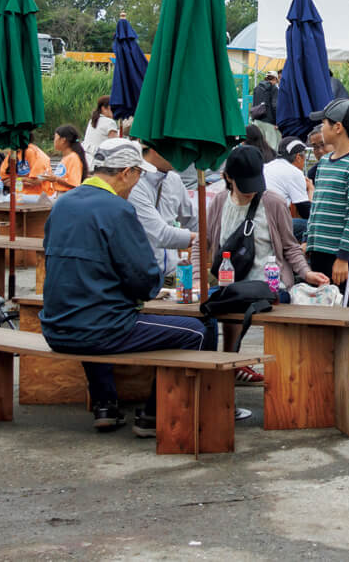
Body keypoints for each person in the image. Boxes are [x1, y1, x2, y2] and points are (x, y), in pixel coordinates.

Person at [40, 139, 202, 436]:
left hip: (54, 327)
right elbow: (144, 280)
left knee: (91, 309)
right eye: (138, 175)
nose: (137, 184)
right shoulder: (117, 209)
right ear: (127, 172)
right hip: (99, 329)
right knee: (197, 332)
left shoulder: (62, 203)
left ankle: (105, 404)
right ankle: (154, 417)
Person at [206, 145, 328, 387]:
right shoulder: (219, 201)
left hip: (269, 287)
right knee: (206, 313)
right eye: (245, 184)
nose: (252, 191)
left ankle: (247, 368)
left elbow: (290, 246)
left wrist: (306, 272)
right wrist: (199, 277)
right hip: (230, 285)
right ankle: (221, 368)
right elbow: (205, 241)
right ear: (227, 178)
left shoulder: (272, 202)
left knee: (236, 303)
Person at [304, 98, 349, 303]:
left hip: (339, 255)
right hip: (317, 249)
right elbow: (316, 207)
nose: (321, 127)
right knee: (317, 307)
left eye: (324, 123)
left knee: (337, 306)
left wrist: (343, 257)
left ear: (338, 127)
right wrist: (308, 239)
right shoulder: (323, 162)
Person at [125, 143, 195, 275]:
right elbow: (160, 235)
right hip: (143, 276)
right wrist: (200, 238)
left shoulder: (174, 180)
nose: (181, 155)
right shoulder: (134, 184)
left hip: (173, 274)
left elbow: (192, 220)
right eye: (177, 148)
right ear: (155, 149)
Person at [46, 125, 89, 192]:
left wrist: (55, 178)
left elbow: (74, 183)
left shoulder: (73, 158)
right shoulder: (66, 157)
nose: (54, 141)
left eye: (55, 138)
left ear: (63, 140)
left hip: (67, 195)